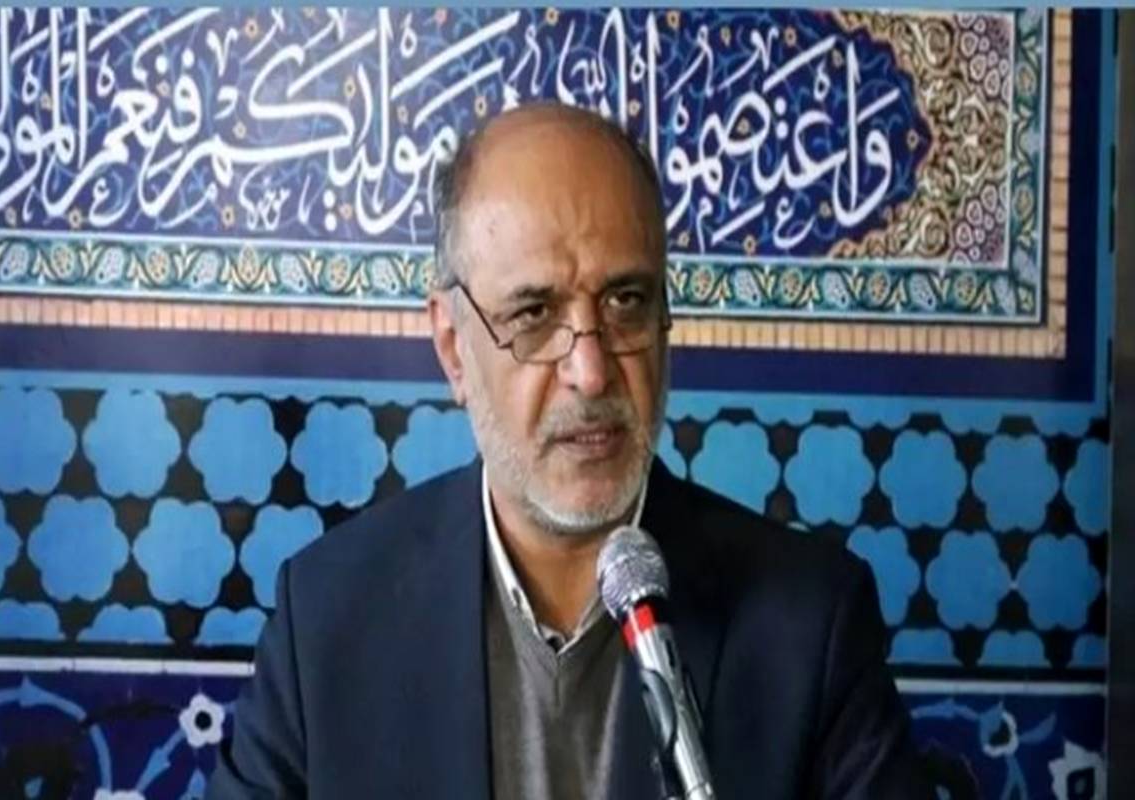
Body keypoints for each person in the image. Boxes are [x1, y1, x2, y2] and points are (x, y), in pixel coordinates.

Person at [207, 103, 932, 799]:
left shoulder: (809, 621)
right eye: (534, 313)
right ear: (454, 348)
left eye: (626, 302)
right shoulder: (328, 618)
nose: (590, 371)